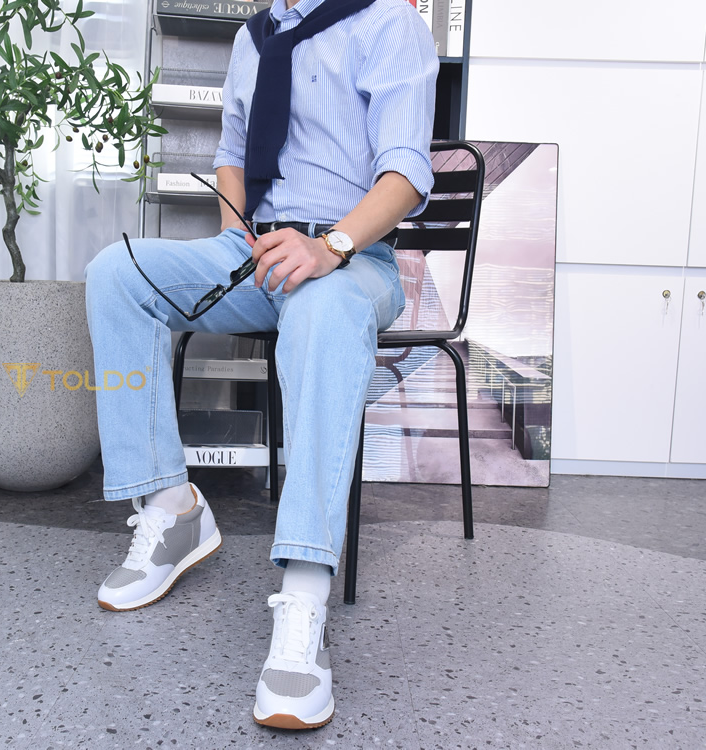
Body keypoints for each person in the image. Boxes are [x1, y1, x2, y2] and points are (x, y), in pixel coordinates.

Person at [83, 0, 437, 730]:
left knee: (323, 309)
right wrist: (236, 236)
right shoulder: (255, 37)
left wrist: (328, 248)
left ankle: (304, 597)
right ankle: (172, 509)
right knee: (117, 274)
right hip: (258, 254)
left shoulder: (387, 22)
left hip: (349, 257)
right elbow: (234, 149)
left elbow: (405, 173)